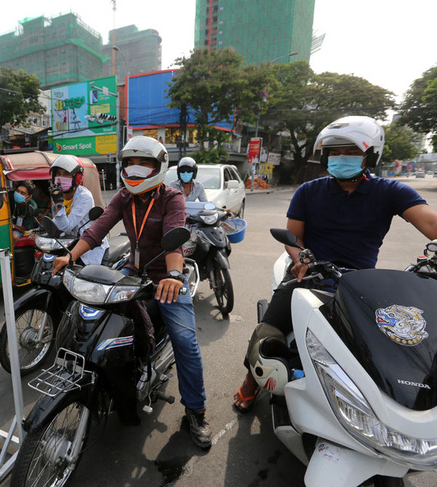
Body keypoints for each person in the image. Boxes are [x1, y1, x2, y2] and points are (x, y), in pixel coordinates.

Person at [233, 115, 437, 413]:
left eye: (351, 152)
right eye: (335, 152)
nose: (341, 158)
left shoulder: (391, 191)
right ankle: (251, 383)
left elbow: (431, 224)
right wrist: (301, 257)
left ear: (371, 155)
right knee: (269, 329)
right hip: (311, 274)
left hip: (360, 282)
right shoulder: (309, 191)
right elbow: (293, 237)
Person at [52, 136, 211, 449]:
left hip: (167, 277)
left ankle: (196, 410)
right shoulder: (123, 197)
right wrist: (71, 255)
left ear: (159, 168)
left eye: (144, 163)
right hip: (131, 272)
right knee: (92, 312)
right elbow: (97, 230)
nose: (135, 169)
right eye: (130, 163)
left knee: (186, 342)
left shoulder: (172, 198)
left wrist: (175, 275)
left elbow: (174, 238)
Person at [49, 155, 108, 265]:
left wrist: (59, 204)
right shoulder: (59, 196)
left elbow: (66, 226)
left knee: (90, 281)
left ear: (77, 178)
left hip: (90, 250)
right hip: (71, 245)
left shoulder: (84, 197)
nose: (61, 178)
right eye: (58, 174)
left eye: (66, 174)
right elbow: (57, 222)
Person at [11, 180, 38, 244]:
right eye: (17, 191)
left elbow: (24, 229)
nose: (18, 194)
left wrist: (12, 226)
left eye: (22, 193)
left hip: (18, 228)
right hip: (5, 225)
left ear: (29, 197)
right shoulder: (9, 198)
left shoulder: (32, 207)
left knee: (14, 237)